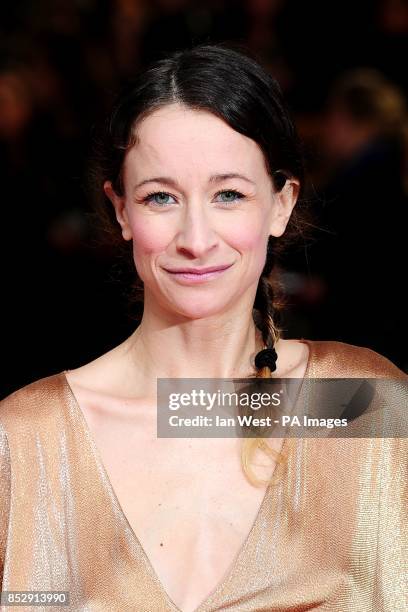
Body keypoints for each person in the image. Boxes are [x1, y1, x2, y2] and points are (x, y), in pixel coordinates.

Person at [0, 43, 407, 612]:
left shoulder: (358, 403)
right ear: (121, 210)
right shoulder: (28, 438)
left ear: (280, 203)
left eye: (229, 195)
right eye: (161, 196)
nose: (196, 238)